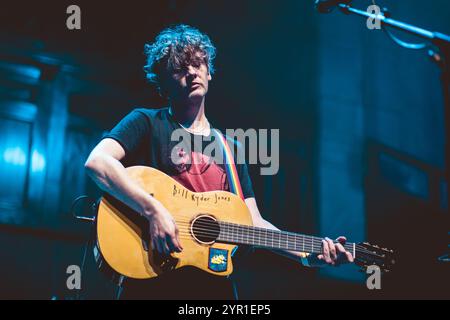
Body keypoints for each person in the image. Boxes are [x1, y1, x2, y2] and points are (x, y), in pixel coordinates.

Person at [85, 24, 354, 299]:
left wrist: (308, 255)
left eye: (197, 63)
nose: (191, 72)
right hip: (153, 277)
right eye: (179, 68)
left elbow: (254, 223)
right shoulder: (146, 123)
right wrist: (153, 210)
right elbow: (98, 162)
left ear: (209, 72)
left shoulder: (231, 148)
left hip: (212, 287)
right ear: (163, 83)